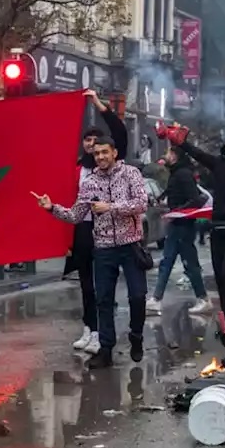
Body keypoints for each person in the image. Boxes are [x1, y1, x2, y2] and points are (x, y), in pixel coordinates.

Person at [38, 134, 149, 369]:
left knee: (138, 296)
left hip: (131, 245)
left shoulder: (131, 174)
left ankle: (136, 336)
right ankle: (106, 348)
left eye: (104, 152)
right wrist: (52, 208)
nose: (100, 157)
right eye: (96, 154)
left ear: (114, 153)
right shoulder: (89, 182)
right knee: (103, 299)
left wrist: (112, 207)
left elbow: (141, 204)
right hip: (104, 247)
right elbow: (76, 215)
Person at [171, 133, 225, 328]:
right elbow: (198, 154)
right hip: (218, 225)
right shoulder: (218, 164)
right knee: (219, 274)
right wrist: (181, 142)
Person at [69, 90, 128, 356]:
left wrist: (98, 105)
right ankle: (89, 328)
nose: (92, 145)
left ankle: (102, 333)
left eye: (96, 141)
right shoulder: (76, 167)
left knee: (102, 283)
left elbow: (120, 131)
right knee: (85, 282)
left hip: (106, 229)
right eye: (87, 140)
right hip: (82, 227)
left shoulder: (112, 164)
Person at [145, 144, 210, 315]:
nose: (166, 155)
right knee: (171, 262)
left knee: (186, 264)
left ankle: (202, 299)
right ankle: (157, 298)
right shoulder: (178, 173)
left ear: (175, 155)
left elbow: (196, 199)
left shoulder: (183, 174)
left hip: (183, 226)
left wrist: (179, 212)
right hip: (177, 225)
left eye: (168, 152)